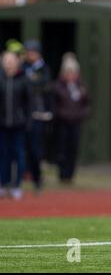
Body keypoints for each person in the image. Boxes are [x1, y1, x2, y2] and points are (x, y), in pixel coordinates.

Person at [52, 52, 90, 184]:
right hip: (62, 122)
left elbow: (86, 103)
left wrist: (82, 114)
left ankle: (70, 175)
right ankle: (62, 175)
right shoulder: (58, 87)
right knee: (62, 149)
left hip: (76, 122)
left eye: (73, 72)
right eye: (68, 72)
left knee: (73, 148)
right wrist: (61, 114)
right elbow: (54, 104)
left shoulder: (80, 87)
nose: (71, 75)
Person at [0, 51, 31, 200]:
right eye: (6, 60)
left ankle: (17, 185)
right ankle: (3, 184)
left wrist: (26, 120)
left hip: (18, 125)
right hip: (2, 124)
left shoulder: (23, 79)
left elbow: (28, 102)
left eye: (11, 60)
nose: (8, 63)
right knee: (3, 154)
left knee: (18, 155)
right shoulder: (1, 78)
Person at [22, 39, 52, 192]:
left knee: (35, 149)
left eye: (32, 51)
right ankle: (19, 178)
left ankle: (37, 178)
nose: (29, 54)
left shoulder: (44, 69)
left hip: (38, 115)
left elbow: (43, 87)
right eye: (28, 52)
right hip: (22, 114)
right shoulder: (23, 67)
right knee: (21, 148)